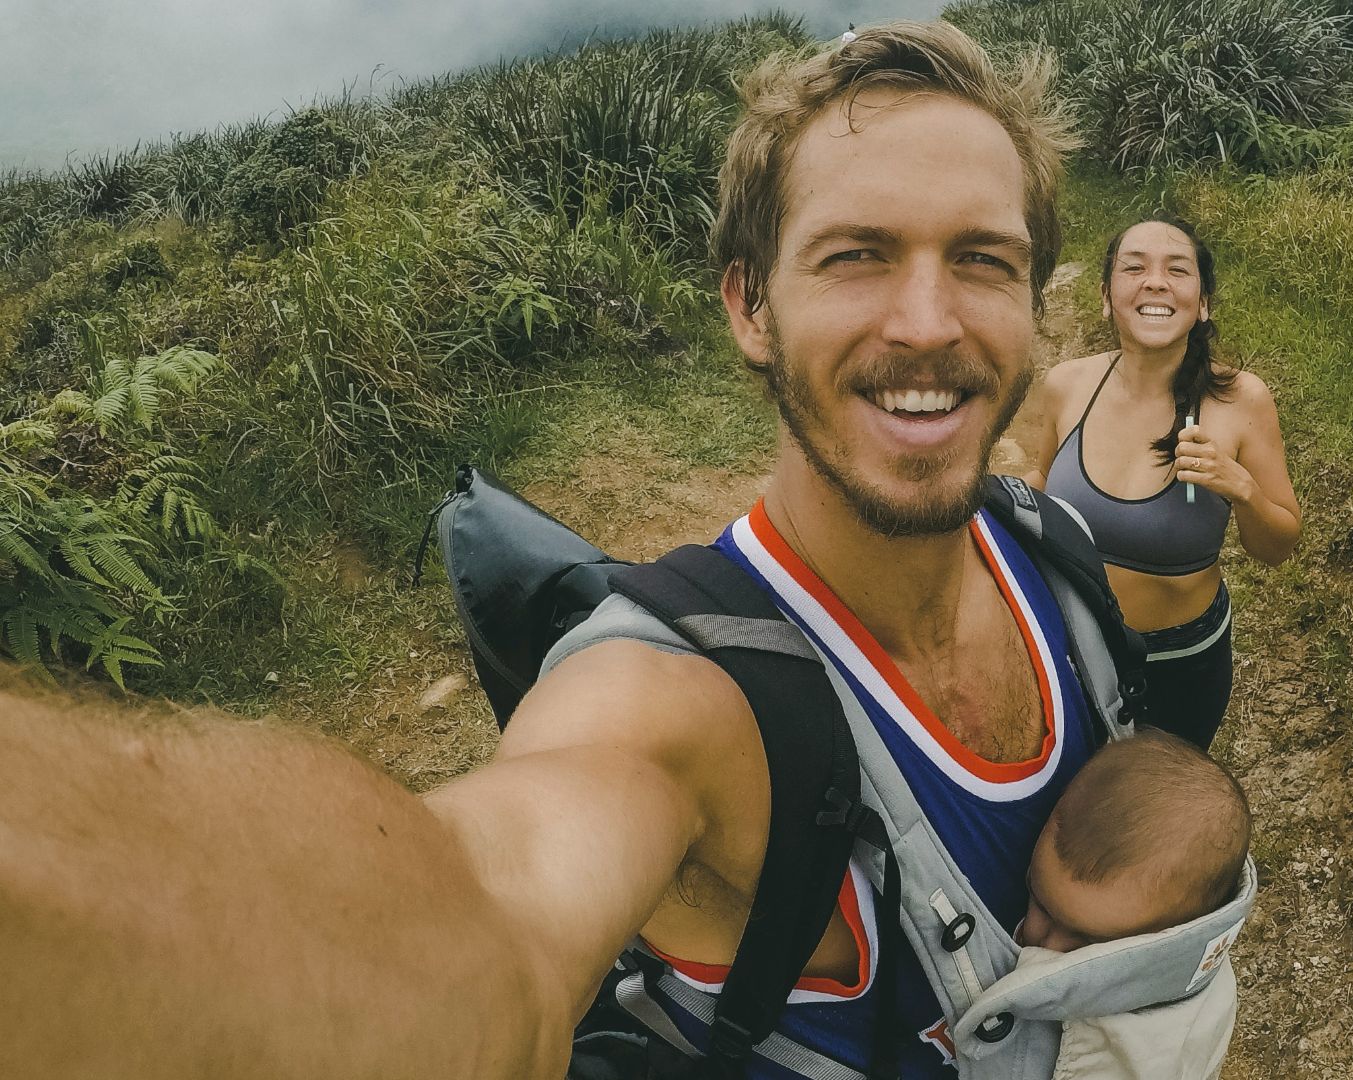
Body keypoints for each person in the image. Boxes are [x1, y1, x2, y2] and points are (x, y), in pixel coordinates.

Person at [0, 22, 1105, 1080]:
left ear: (1038, 300)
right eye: (855, 255)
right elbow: (489, 918)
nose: (925, 321)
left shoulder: (1053, 555)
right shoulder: (676, 705)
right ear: (750, 306)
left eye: (982, 259)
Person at [1023, 213, 1301, 750]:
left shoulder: (1241, 401)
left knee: (1152, 818)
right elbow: (1043, 475)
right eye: (1135, 268)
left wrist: (1240, 487)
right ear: (1107, 297)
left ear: (1202, 305)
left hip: (1180, 664)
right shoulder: (1066, 385)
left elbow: (1278, 545)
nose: (1155, 281)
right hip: (1069, 644)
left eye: (1177, 270)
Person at [1016, 730, 1251, 1080]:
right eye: (1042, 906)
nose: (1046, 943)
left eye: (1087, 940)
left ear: (1170, 939)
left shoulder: (1144, 1056)